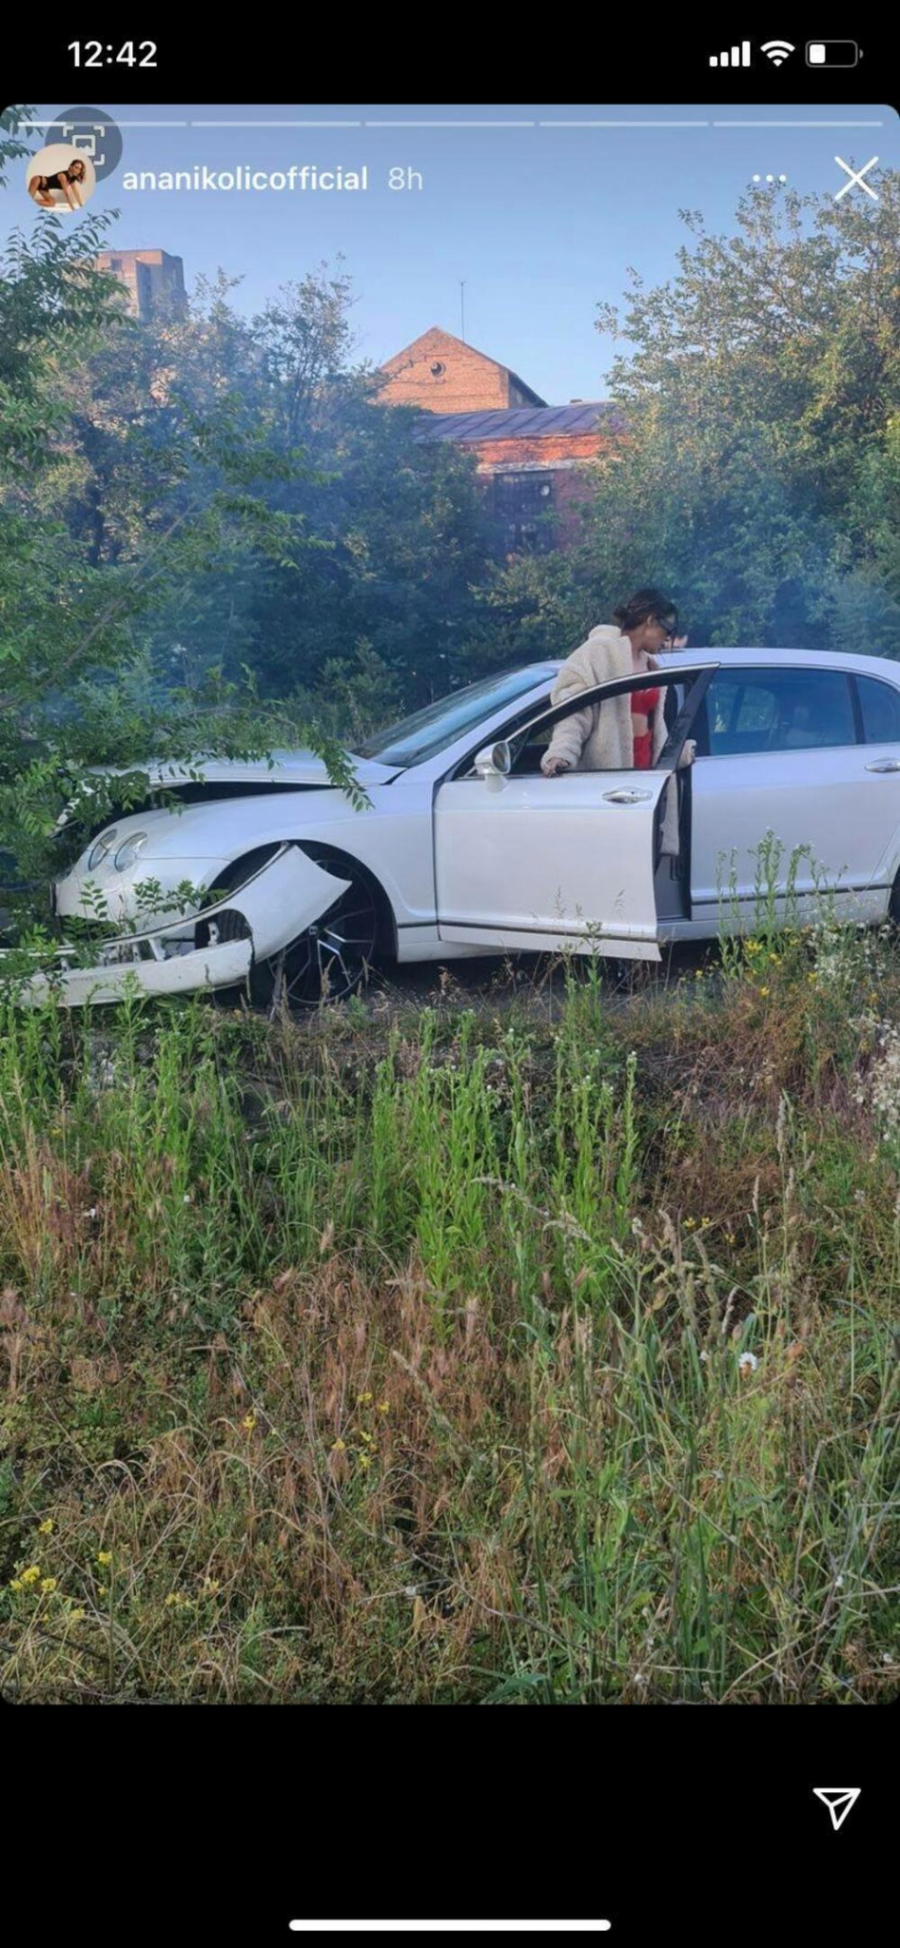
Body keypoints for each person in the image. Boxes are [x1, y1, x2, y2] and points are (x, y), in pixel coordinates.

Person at [539, 588, 694, 855]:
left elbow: (655, 726)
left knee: (641, 856)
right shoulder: (597, 654)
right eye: (666, 630)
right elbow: (573, 710)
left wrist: (678, 752)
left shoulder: (650, 665)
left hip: (644, 770)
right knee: (612, 855)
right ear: (649, 621)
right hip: (611, 771)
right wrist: (561, 752)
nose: (667, 639)